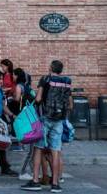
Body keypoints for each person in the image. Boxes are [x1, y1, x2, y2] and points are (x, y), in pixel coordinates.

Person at [21, 60, 72, 193]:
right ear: (61, 70)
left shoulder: (45, 79)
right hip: (59, 120)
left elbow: (38, 99)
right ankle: (55, 184)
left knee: (38, 149)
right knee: (55, 151)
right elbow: (70, 104)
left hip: (45, 118)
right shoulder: (67, 81)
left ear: (50, 67)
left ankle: (35, 181)